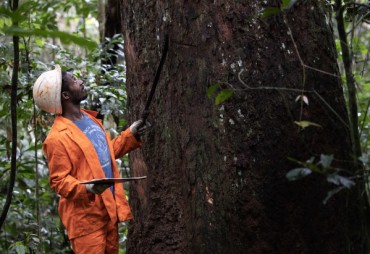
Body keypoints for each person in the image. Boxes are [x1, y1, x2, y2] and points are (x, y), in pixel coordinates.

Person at [33, 65, 146, 253]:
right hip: (86, 221)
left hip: (108, 211)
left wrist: (130, 135)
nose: (80, 81)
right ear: (66, 96)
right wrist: (86, 187)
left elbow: (105, 153)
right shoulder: (57, 138)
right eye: (75, 81)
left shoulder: (90, 119)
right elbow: (58, 181)